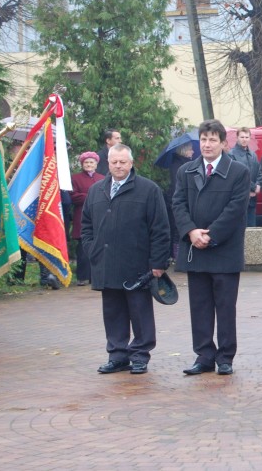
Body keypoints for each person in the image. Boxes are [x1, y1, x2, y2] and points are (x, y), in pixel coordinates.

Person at [81, 144, 170, 374]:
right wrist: (93, 250)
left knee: (140, 312)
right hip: (106, 262)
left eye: (123, 162)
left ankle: (140, 355)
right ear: (107, 163)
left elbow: (160, 228)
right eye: (114, 162)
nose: (118, 166)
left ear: (131, 163)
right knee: (113, 312)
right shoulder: (96, 190)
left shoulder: (148, 190)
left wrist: (158, 263)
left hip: (137, 264)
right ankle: (118, 354)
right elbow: (86, 226)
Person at [173, 120, 250, 376]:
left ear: (223, 143)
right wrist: (191, 231)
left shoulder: (238, 172)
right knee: (200, 305)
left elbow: (236, 209)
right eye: (203, 139)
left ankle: (225, 357)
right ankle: (204, 355)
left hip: (224, 250)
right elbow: (178, 204)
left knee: (225, 306)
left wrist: (212, 235)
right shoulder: (186, 171)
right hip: (195, 250)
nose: (207, 144)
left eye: (212, 140)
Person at [70, 152, 105, 286]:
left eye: (91, 162)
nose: (89, 165)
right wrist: (92, 197)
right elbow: (73, 196)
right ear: (82, 164)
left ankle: (96, 276)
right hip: (81, 215)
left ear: (96, 164)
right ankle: (82, 277)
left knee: (99, 247)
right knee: (83, 249)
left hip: (100, 216)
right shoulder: (75, 178)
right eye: (86, 162)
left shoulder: (102, 178)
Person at [229, 127, 262, 227]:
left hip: (252, 198)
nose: (244, 139)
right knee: (241, 227)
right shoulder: (231, 154)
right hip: (239, 196)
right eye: (242, 137)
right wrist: (252, 188)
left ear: (250, 138)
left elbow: (259, 172)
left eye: (247, 137)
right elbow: (235, 175)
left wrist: (258, 185)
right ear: (237, 137)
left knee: (252, 227)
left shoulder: (253, 154)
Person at [167, 142, 194, 260]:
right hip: (179, 201)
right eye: (191, 150)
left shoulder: (182, 163)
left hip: (180, 199)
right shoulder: (179, 165)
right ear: (185, 151)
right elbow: (177, 186)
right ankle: (178, 256)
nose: (193, 152)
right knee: (178, 229)